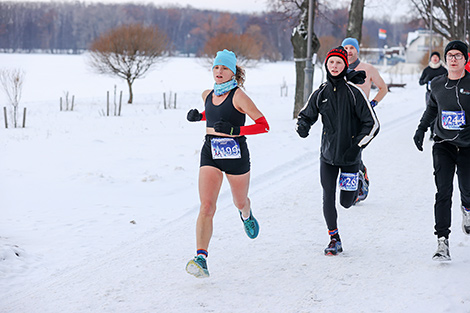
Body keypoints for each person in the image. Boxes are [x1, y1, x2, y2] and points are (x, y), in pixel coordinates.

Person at [185, 49, 270, 277]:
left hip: (235, 155)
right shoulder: (208, 94)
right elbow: (213, 114)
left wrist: (235, 130)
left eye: (224, 68)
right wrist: (199, 117)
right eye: (216, 67)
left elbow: (263, 125)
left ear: (233, 72)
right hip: (210, 152)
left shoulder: (239, 96)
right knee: (206, 206)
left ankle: (246, 214)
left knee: (239, 201)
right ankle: (201, 258)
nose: (219, 71)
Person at [296, 46, 380, 256]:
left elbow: (372, 124)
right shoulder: (321, 92)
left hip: (350, 156)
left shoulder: (355, 93)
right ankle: (334, 238)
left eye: (339, 63)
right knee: (327, 196)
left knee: (346, 202)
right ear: (326, 65)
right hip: (328, 156)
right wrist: (303, 126)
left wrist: (357, 147)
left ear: (345, 66)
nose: (334, 66)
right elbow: (307, 114)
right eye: (331, 62)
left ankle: (361, 178)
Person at [413, 40, 470, 262]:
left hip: (467, 146)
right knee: (443, 192)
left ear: (465, 60)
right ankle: (442, 242)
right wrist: (420, 130)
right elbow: (431, 110)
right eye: (450, 55)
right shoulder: (437, 83)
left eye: (458, 55)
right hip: (442, 144)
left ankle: (467, 207)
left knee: (467, 188)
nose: (453, 59)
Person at [341, 37, 388, 204]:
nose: (348, 51)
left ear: (357, 50)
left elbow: (383, 88)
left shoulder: (368, 68)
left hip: (361, 119)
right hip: (342, 119)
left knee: (354, 150)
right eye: (345, 47)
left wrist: (372, 103)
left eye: (351, 47)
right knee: (344, 153)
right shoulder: (338, 68)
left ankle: (358, 184)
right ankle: (356, 179)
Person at [418, 51, 448, 138]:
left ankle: (438, 131)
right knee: (431, 112)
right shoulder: (427, 70)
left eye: (436, 57)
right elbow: (420, 82)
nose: (435, 58)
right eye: (433, 57)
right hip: (429, 94)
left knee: (439, 112)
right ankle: (431, 132)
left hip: (441, 94)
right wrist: (425, 80)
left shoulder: (443, 70)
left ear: (439, 58)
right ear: (431, 58)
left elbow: (448, 81)